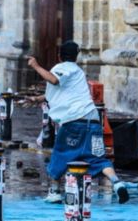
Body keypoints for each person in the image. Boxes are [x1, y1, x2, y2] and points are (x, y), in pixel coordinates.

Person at [27, 41, 129, 204]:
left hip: (74, 122)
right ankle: (117, 183)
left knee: (60, 154)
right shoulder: (78, 72)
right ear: (76, 56)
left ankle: (54, 191)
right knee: (98, 158)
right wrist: (37, 98)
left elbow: (53, 80)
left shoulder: (62, 68)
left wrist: (36, 66)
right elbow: (62, 92)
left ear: (60, 56)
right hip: (93, 121)